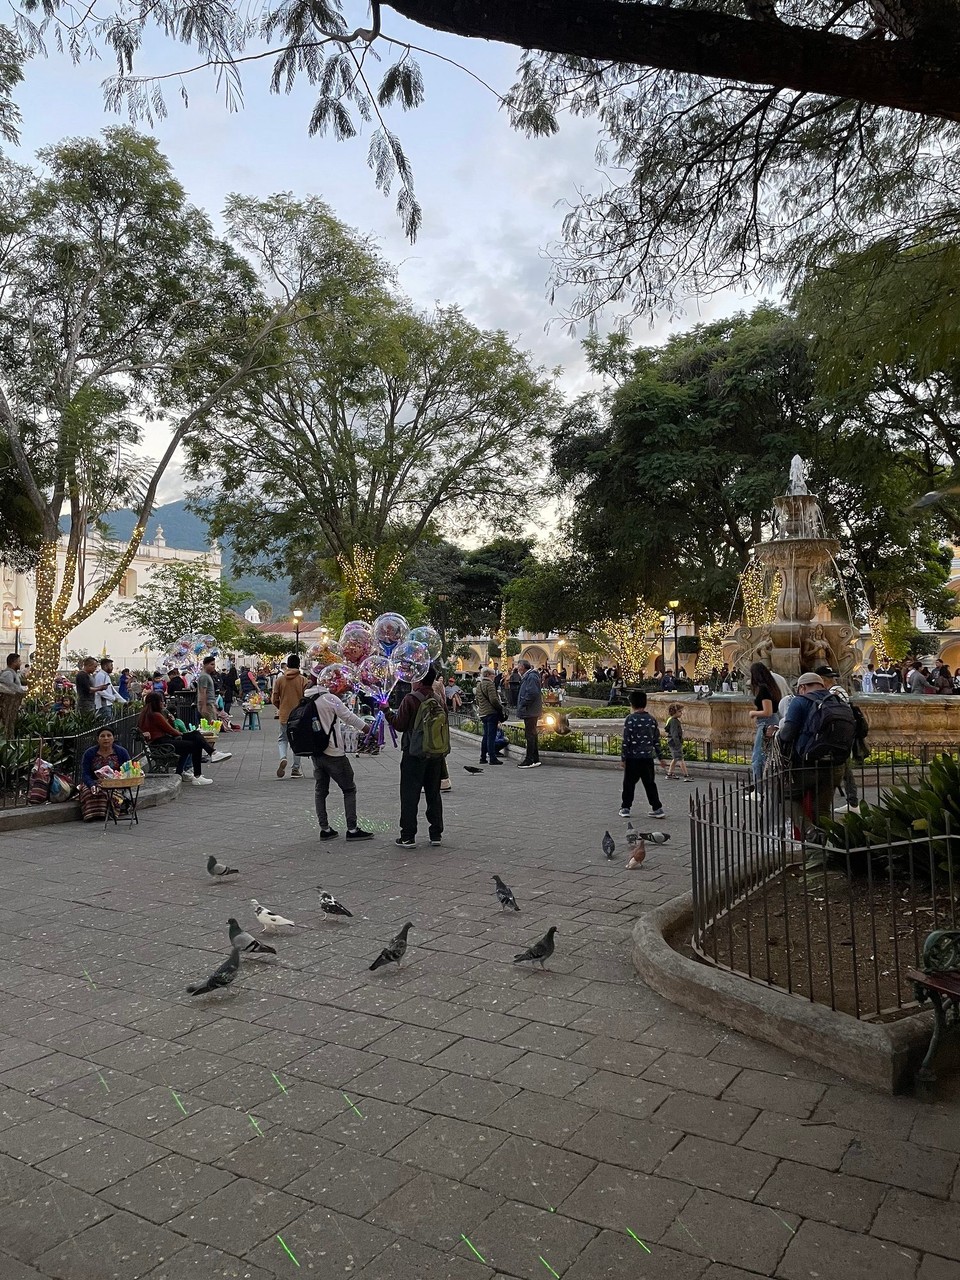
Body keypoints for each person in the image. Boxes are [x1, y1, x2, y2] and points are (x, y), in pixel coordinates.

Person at [296, 673, 373, 842]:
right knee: (349, 789)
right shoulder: (330, 699)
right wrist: (368, 728)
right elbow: (349, 717)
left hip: (316, 753)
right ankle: (352, 829)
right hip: (334, 752)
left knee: (320, 791)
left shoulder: (306, 698)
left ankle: (325, 828)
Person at [776, 671, 851, 837]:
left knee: (787, 797)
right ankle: (824, 848)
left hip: (807, 764)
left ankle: (809, 831)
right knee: (823, 809)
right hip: (835, 764)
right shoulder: (838, 700)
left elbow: (787, 734)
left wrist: (776, 733)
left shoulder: (800, 701)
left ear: (802, 687)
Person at [387, 663, 448, 847]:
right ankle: (435, 834)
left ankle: (408, 836)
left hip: (414, 754)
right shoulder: (438, 698)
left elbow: (399, 725)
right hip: (435, 753)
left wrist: (386, 712)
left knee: (409, 794)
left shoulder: (411, 699)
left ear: (420, 679)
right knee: (433, 794)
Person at [138, 691, 230, 785]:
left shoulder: (145, 715)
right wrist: (180, 733)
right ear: (156, 703)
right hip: (164, 744)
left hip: (160, 743)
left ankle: (211, 754)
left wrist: (171, 722)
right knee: (195, 743)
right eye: (161, 701)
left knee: (195, 734)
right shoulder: (156, 715)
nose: (163, 703)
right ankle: (199, 773)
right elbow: (171, 730)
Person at [620, 690, 667, 818]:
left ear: (632, 704)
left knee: (629, 783)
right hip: (647, 758)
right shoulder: (651, 720)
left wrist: (623, 758)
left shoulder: (630, 719)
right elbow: (656, 740)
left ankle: (625, 808)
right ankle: (657, 808)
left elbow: (626, 741)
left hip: (633, 758)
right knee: (650, 783)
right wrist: (660, 757)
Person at [78, 727, 132, 821]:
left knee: (108, 793)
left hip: (116, 783)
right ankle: (92, 815)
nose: (106, 738)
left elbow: (128, 770)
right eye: (102, 736)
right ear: (98, 739)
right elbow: (85, 773)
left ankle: (107, 814)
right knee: (89, 792)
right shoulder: (89, 753)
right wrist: (91, 784)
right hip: (94, 781)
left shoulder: (121, 752)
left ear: (113, 738)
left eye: (109, 736)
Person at [272, 654, 308, 778]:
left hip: (284, 714)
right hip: (299, 716)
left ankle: (283, 757)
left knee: (282, 738)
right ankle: (295, 769)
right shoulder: (303, 680)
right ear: (299, 665)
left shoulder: (280, 680)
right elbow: (307, 698)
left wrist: (281, 707)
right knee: (297, 741)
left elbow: (274, 698)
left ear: (287, 664)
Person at [748, 661, 781, 788]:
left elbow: (768, 711)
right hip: (773, 722)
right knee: (770, 756)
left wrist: (753, 713)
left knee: (758, 758)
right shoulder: (772, 688)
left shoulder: (763, 689)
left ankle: (758, 789)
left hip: (766, 724)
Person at [515, 659, 543, 769]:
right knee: (532, 734)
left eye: (519, 666)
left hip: (530, 711)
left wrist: (523, 703)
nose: (518, 668)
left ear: (524, 667)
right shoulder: (529, 676)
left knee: (530, 735)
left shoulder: (531, 677)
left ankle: (529, 759)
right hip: (530, 710)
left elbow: (532, 692)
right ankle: (535, 758)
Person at [475, 666, 504, 766]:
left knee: (485, 735)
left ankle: (483, 757)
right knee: (491, 736)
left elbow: (477, 700)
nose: (494, 676)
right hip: (491, 713)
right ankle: (492, 758)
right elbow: (494, 700)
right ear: (488, 675)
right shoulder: (490, 685)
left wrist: (482, 708)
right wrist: (500, 707)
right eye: (493, 674)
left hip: (483, 713)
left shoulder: (479, 685)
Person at [0, 653, 26, 737]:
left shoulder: (13, 673)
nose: (20, 663)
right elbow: (6, 688)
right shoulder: (8, 674)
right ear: (14, 662)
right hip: (7, 709)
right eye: (19, 661)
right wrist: (19, 691)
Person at [93, 657, 125, 722]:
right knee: (106, 725)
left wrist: (123, 701)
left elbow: (113, 690)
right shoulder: (100, 675)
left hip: (108, 705)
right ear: (105, 666)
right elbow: (99, 691)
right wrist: (113, 698)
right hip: (103, 706)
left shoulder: (106, 676)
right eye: (111, 666)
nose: (112, 668)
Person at [664, 702, 690, 779]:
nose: (681, 713)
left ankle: (669, 774)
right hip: (674, 743)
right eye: (680, 711)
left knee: (675, 758)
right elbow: (674, 734)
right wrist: (678, 744)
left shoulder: (672, 720)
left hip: (672, 742)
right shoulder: (674, 721)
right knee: (680, 758)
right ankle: (686, 775)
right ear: (674, 712)